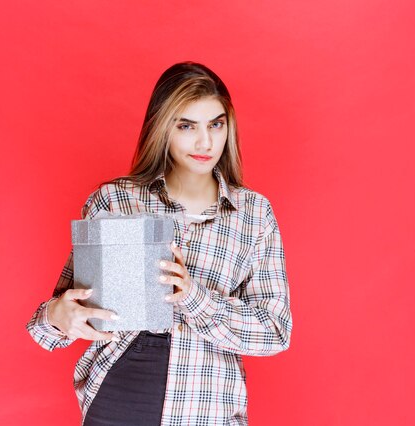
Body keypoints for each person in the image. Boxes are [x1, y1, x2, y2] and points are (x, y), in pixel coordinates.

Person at [26, 61, 292, 426]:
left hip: (207, 407)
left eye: (216, 124)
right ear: (162, 128)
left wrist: (192, 298)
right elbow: (51, 326)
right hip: (118, 399)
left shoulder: (254, 214)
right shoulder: (114, 201)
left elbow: (275, 332)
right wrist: (59, 315)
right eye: (186, 126)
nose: (205, 142)